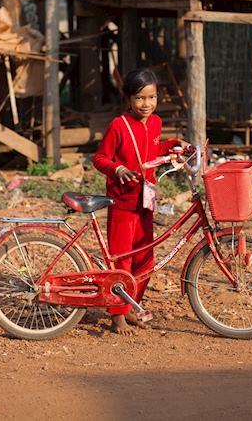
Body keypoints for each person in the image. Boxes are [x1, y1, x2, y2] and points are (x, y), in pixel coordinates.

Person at [93, 68, 187, 335]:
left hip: (146, 201)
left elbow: (152, 149)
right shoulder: (118, 126)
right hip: (123, 202)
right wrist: (117, 169)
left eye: (152, 97)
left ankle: (133, 305)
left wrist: (175, 145)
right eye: (140, 99)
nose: (146, 104)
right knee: (122, 260)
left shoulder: (155, 123)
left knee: (145, 258)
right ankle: (117, 316)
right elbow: (100, 158)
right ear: (128, 99)